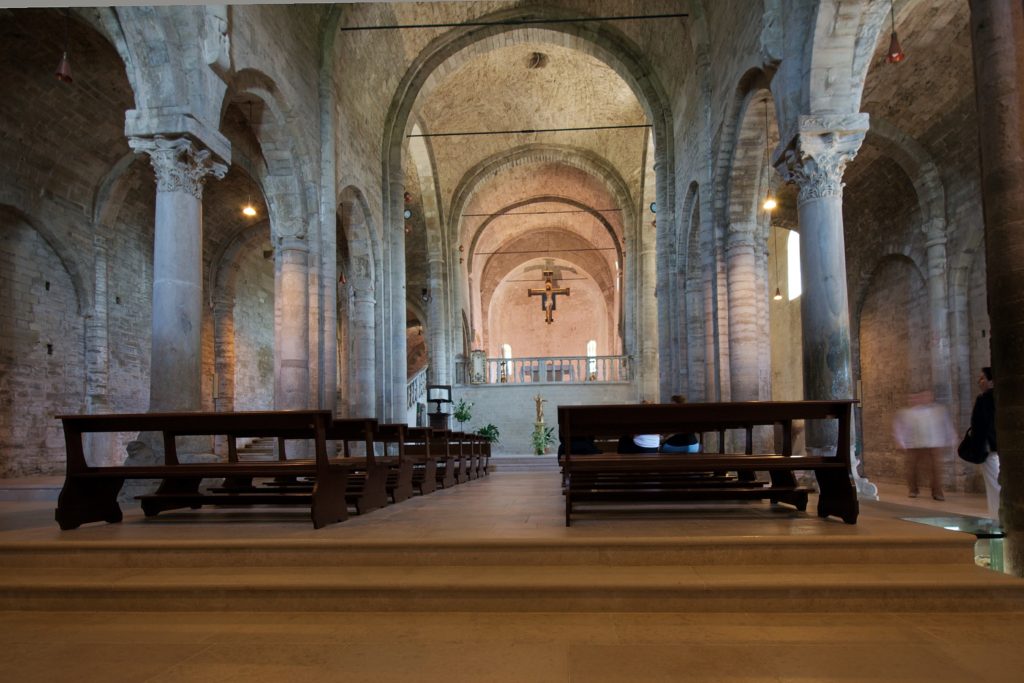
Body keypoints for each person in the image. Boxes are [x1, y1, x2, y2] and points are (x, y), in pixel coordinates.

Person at [892, 389, 956, 501]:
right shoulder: (906, 413)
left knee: (936, 469)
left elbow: (946, 425)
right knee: (911, 468)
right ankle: (913, 489)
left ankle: (937, 492)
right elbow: (899, 428)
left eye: (927, 396)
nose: (923, 399)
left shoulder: (939, 410)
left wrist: (951, 438)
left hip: (934, 443)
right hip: (913, 445)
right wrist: (900, 442)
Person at [970, 366, 1001, 520]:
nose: (979, 381)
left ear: (992, 381)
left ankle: (997, 517)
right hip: (994, 447)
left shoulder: (984, 400)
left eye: (983, 378)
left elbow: (981, 426)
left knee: (994, 485)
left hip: (989, 448)